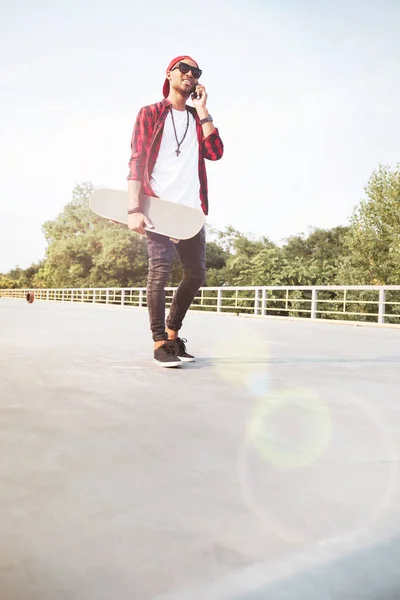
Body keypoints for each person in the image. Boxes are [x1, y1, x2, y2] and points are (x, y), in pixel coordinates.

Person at [126, 56, 224, 367]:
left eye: (196, 72)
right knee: (160, 272)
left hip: (191, 211)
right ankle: (158, 344)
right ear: (169, 74)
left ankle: (172, 335)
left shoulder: (197, 119)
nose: (190, 75)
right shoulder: (151, 113)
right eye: (184, 69)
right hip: (158, 206)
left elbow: (215, 152)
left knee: (196, 273)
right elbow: (137, 160)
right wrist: (134, 208)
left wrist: (205, 109)